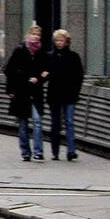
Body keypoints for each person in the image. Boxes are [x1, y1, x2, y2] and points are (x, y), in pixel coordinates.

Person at [3, 29, 50, 161]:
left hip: (35, 92)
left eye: (38, 35)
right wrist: (12, 89)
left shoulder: (42, 52)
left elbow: (46, 71)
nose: (36, 37)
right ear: (28, 35)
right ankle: (25, 152)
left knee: (37, 120)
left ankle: (38, 152)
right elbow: (8, 70)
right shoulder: (20, 49)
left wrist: (39, 79)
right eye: (33, 34)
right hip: (21, 92)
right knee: (23, 124)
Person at [46, 28, 83, 162]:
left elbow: (79, 76)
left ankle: (71, 151)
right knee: (55, 123)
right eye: (57, 40)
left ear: (67, 42)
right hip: (54, 95)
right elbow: (45, 74)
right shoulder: (50, 56)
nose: (59, 43)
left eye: (61, 40)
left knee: (69, 122)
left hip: (69, 94)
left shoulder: (73, 56)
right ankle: (55, 152)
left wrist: (76, 92)